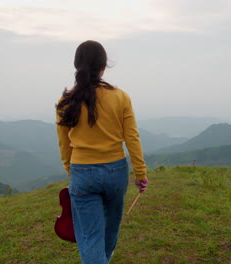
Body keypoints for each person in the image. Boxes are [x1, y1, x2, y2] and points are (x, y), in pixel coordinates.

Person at [55, 40, 148, 264]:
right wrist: (140, 172)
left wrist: (71, 169)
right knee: (110, 231)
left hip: (82, 172)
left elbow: (64, 143)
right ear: (104, 67)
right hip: (116, 171)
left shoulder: (66, 101)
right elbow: (131, 137)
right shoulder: (120, 97)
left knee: (89, 237)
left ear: (77, 66)